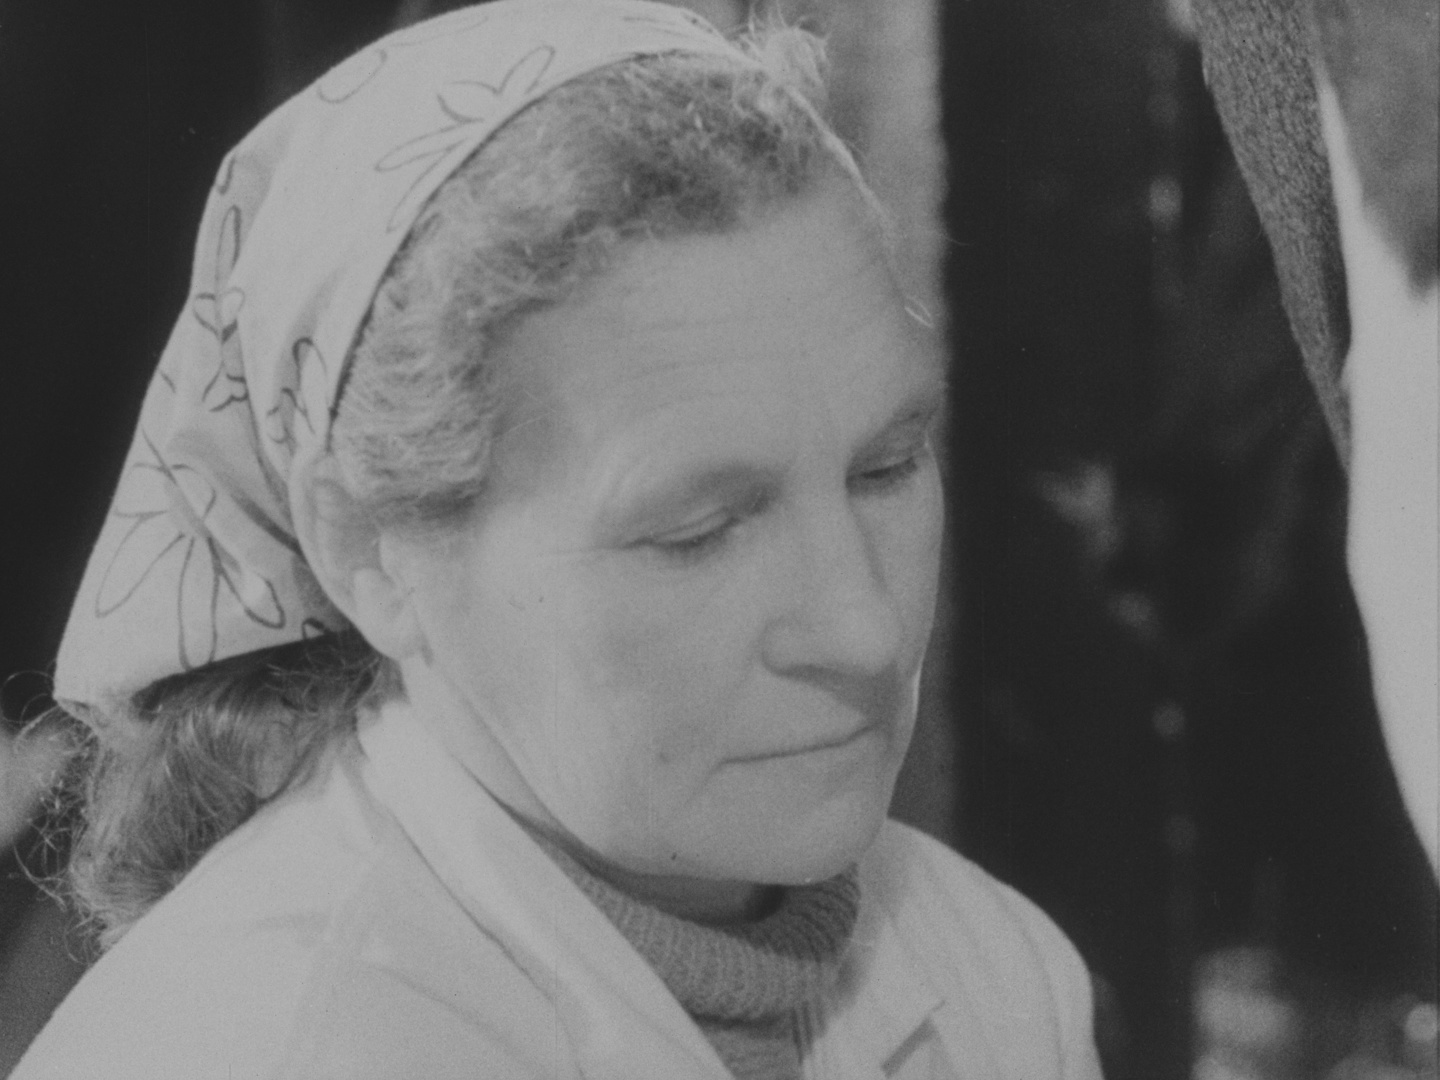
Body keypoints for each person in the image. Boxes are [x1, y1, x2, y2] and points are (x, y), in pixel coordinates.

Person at [13, 3, 1103, 1077]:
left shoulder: (996, 971)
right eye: (698, 532)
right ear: (371, 551)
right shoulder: (270, 1046)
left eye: (887, 468)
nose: (865, 632)